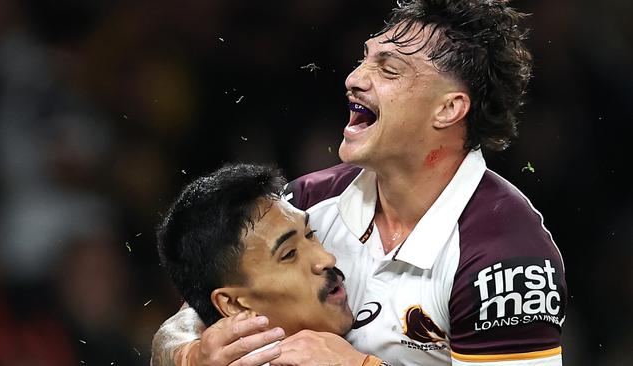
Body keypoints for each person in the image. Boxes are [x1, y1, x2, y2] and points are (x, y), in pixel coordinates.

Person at [151, 0, 567, 365]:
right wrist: (187, 353)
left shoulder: (506, 258)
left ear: (448, 109)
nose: (354, 77)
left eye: (389, 70)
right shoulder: (306, 204)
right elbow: (192, 316)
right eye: (365, 59)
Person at [153, 163, 356, 366]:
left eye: (311, 234)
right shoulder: (322, 194)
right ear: (235, 304)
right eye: (289, 254)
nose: (327, 259)